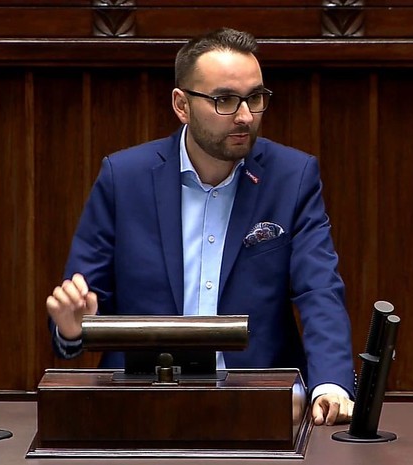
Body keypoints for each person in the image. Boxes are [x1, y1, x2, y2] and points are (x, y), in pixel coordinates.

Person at [46, 28, 354, 426]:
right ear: (182, 105)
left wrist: (330, 382)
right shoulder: (124, 178)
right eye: (224, 100)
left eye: (255, 98)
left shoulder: (291, 177)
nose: (245, 116)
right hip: (141, 404)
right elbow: (83, 302)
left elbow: (319, 288)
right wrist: (73, 328)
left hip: (259, 405)